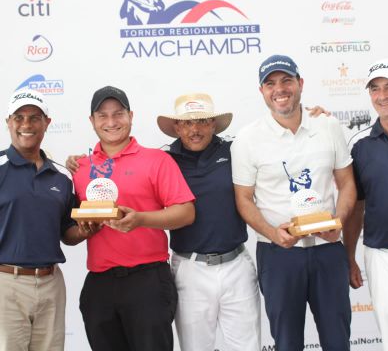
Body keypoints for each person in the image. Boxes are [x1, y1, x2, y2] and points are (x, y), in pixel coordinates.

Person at [231, 55, 357, 351]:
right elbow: (244, 200)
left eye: (287, 80)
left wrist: (337, 221)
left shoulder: (327, 125)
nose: (280, 89)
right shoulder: (248, 139)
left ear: (300, 84)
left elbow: (347, 183)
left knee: (338, 341)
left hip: (328, 250)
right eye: (270, 83)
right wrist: (273, 233)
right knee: (287, 343)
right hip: (278, 255)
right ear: (261, 91)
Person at [71, 85, 195, 351]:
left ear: (131, 116)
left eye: (118, 114)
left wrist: (141, 220)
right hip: (99, 283)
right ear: (91, 121)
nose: (111, 122)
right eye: (102, 116)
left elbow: (186, 212)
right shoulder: (80, 167)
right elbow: (72, 227)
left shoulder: (156, 160)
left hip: (148, 280)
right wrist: (85, 229)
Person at [157, 93, 261, 351]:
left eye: (202, 121)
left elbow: (277, 142)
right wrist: (83, 162)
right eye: (187, 123)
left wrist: (310, 116)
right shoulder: (162, 159)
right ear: (177, 127)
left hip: (236, 264)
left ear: (213, 124)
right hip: (189, 269)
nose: (195, 130)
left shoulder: (235, 149)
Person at [0, 89, 93, 351]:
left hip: (51, 283)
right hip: (6, 283)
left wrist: (86, 230)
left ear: (47, 123)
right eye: (19, 117)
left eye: (35, 117)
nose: (26, 125)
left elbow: (67, 232)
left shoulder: (62, 176)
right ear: (8, 122)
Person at [343, 58, 388, 351]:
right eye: (375, 89)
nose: (383, 95)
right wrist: (350, 257)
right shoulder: (360, 144)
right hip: (381, 255)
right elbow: (355, 208)